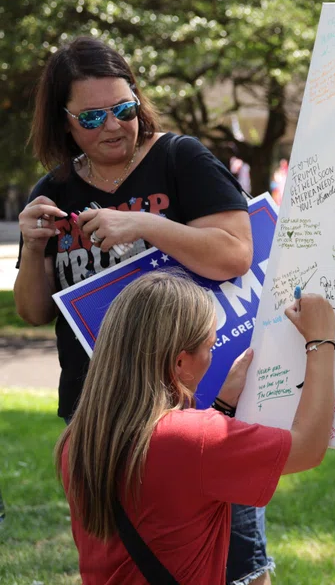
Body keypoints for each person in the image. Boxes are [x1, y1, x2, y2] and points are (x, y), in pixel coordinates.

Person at [12, 36, 270, 584]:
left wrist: (145, 225)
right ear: (63, 121)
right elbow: (34, 313)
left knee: (237, 564)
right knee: (129, 565)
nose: (113, 126)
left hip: (197, 409)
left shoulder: (180, 159)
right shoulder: (54, 189)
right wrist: (34, 249)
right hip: (96, 414)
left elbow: (236, 252)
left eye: (125, 109)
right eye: (93, 116)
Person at [56, 271, 335, 583]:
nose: (211, 356)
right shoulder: (190, 439)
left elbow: (169, 500)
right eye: (209, 346)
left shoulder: (79, 438)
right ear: (179, 363)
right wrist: (320, 341)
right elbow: (308, 448)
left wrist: (223, 409)